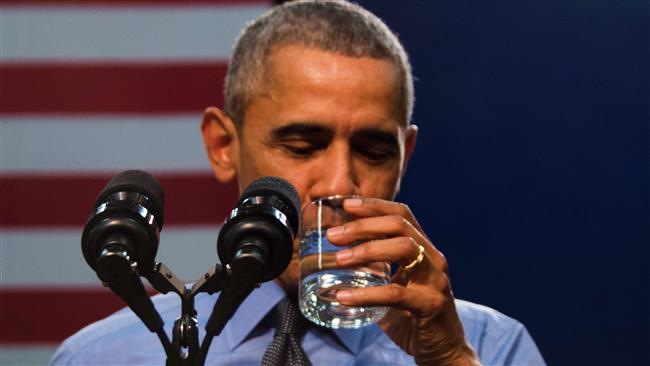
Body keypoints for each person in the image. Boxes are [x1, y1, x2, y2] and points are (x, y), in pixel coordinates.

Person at [51, 1, 545, 365]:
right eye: (302, 146)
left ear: (405, 157)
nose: (339, 183)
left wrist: (452, 360)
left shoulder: (492, 347)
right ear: (224, 146)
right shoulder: (103, 356)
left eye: (373, 151)